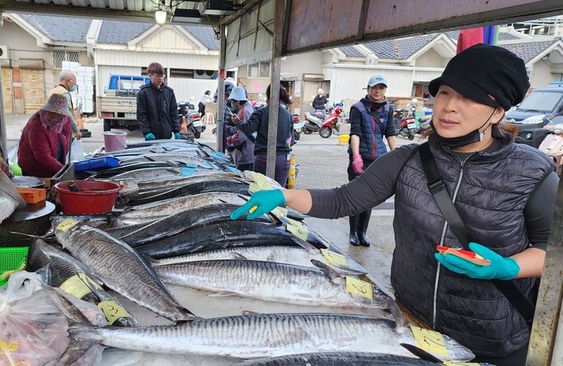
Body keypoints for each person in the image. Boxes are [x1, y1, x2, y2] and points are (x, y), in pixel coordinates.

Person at [230, 44, 557, 365]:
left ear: (498, 110)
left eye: (468, 98)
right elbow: (344, 199)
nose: (449, 107)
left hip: (495, 341)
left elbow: (553, 248)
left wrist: (508, 267)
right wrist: (283, 196)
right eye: (444, 93)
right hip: (414, 327)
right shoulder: (409, 160)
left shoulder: (531, 171)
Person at [347, 74, 397, 247]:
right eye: (374, 87)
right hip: (360, 157)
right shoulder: (358, 108)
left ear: (384, 90)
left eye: (381, 88)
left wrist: (396, 155)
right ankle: (353, 232)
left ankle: (362, 233)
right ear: (368, 89)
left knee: (369, 197)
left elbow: (390, 132)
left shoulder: (388, 109)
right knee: (355, 195)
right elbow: (355, 133)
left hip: (378, 159)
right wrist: (356, 156)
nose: (377, 91)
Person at [237, 84, 294, 186]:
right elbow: (291, 140)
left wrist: (237, 121)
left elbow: (248, 128)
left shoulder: (261, 113)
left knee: (262, 191)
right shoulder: (288, 115)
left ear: (267, 96)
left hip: (263, 158)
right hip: (283, 159)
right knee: (279, 192)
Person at [17, 94, 72, 178]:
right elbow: (43, 157)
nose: (54, 116)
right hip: (33, 167)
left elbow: (67, 139)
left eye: (58, 114)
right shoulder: (37, 124)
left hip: (54, 162)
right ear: (47, 109)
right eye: (52, 112)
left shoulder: (65, 120)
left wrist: (62, 166)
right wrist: (64, 171)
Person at [136, 62, 180, 141]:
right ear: (150, 75)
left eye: (162, 76)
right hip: (152, 135)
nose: (160, 78)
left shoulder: (169, 92)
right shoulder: (144, 93)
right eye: (157, 76)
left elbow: (174, 113)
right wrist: (147, 132)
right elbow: (141, 115)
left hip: (166, 134)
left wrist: (176, 130)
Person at [225, 86, 255, 171]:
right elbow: (240, 128)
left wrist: (227, 141)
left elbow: (241, 136)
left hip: (246, 153)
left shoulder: (243, 112)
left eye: (232, 101)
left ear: (237, 101)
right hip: (250, 151)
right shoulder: (249, 108)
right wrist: (227, 129)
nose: (231, 104)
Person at [48, 69, 82, 140]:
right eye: (74, 84)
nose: (74, 86)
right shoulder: (64, 93)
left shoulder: (53, 91)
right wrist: (76, 130)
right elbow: (67, 113)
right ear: (68, 80)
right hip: (62, 132)